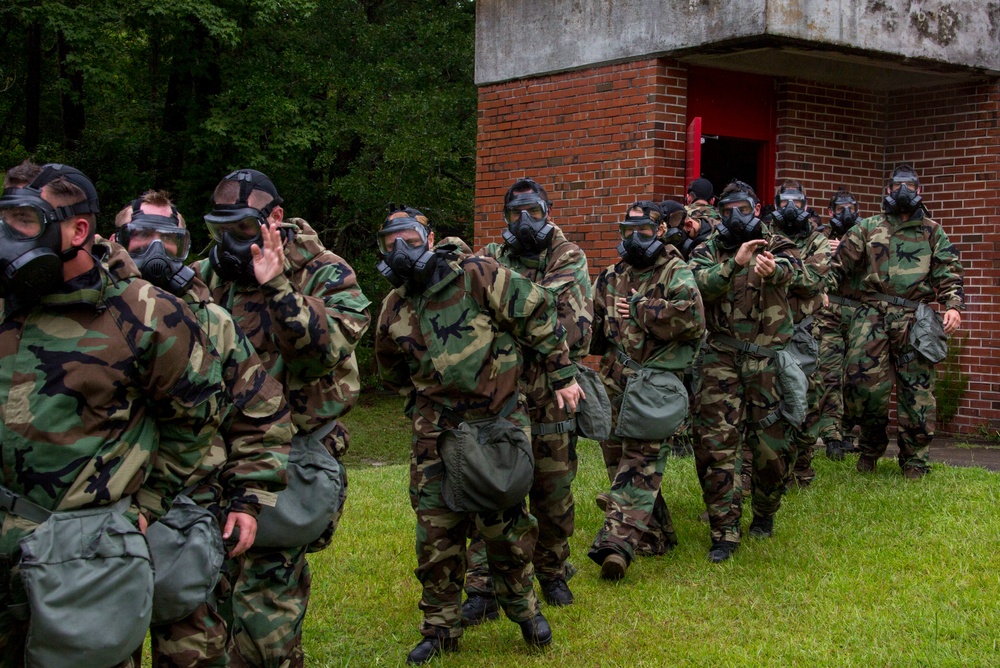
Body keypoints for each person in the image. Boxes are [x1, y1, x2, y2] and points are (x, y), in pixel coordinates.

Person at [0, 163, 225, 665]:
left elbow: (197, 416)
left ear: (78, 229)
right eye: (6, 220)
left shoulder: (147, 313)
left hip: (85, 556)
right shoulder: (7, 307)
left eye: (26, 220)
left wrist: (146, 505)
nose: (11, 235)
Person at [374, 206, 584, 664]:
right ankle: (440, 628)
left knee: (505, 526)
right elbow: (391, 371)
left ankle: (524, 611)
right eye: (389, 243)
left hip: (495, 424)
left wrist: (563, 374)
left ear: (429, 239)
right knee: (436, 533)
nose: (400, 249)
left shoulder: (477, 276)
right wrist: (424, 410)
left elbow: (538, 311)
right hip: (435, 432)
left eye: (408, 237)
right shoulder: (394, 304)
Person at [195, 169, 371, 667]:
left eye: (243, 230)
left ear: (275, 218)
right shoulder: (209, 274)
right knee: (207, 604)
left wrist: (277, 287)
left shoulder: (326, 272)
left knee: (267, 619)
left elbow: (320, 355)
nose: (229, 244)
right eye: (218, 231)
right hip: (218, 455)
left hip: (291, 455)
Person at [114, 191, 293, 668]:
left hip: (191, 511)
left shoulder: (212, 323)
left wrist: (248, 497)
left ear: (184, 245)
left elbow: (262, 412)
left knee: (195, 649)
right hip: (106, 516)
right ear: (116, 241)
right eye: (141, 235)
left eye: (168, 238)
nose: (154, 247)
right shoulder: (83, 317)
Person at [463, 178, 593, 619]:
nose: (524, 222)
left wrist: (500, 302)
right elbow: (472, 308)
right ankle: (482, 586)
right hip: (501, 391)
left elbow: (546, 308)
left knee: (552, 489)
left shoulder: (568, 256)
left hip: (553, 389)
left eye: (533, 213)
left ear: (548, 213)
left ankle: (552, 571)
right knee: (493, 485)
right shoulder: (492, 256)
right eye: (515, 214)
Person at [588, 200, 705, 579]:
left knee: (639, 465)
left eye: (644, 230)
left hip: (653, 384)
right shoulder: (609, 275)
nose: (634, 238)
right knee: (617, 461)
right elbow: (591, 327)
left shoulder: (676, 271)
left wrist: (640, 308)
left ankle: (615, 545)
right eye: (628, 230)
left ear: (659, 231)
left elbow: (692, 319)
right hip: (613, 383)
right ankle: (657, 535)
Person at [690, 180, 803, 563]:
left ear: (757, 209)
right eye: (726, 211)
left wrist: (776, 271)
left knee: (771, 449)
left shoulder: (779, 244)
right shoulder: (709, 248)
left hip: (767, 361)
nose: (734, 217)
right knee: (717, 446)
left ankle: (765, 513)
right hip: (720, 358)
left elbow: (809, 277)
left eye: (742, 209)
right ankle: (724, 532)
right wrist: (733, 263)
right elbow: (696, 285)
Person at [831, 164, 965, 478]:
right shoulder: (868, 227)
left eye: (910, 187)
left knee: (917, 389)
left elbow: (949, 269)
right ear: (887, 190)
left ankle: (915, 461)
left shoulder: (932, 230)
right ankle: (870, 447)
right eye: (896, 186)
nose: (903, 192)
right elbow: (839, 265)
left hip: (914, 317)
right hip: (872, 313)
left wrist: (953, 305)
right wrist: (822, 290)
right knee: (862, 385)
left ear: (920, 191)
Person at [768, 180, 830, 488]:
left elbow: (813, 279)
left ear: (805, 205)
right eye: (784, 203)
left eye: (797, 203)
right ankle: (775, 467)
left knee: (806, 397)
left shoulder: (817, 241)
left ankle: (801, 469)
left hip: (804, 330)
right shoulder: (765, 235)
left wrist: (777, 273)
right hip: (770, 331)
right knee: (771, 399)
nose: (790, 209)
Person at [816, 189, 865, 459]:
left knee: (857, 376)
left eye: (850, 207)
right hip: (831, 312)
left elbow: (878, 269)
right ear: (831, 211)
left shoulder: (866, 235)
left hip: (860, 313)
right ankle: (832, 435)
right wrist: (830, 253)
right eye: (839, 208)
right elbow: (814, 268)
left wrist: (849, 248)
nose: (845, 213)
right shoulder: (822, 238)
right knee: (829, 373)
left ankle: (848, 431)